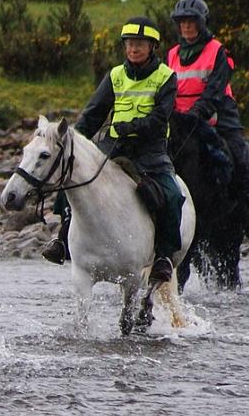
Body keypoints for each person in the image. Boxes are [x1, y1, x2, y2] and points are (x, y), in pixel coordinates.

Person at [40, 16, 185, 284]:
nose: (133, 49)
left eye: (140, 44)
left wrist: (128, 126)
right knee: (68, 175)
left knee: (173, 195)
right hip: (114, 146)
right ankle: (62, 239)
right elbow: (92, 115)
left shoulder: (166, 77)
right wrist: (73, 142)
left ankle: (164, 257)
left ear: (152, 46)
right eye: (130, 44)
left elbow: (159, 120)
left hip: (150, 150)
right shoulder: (116, 75)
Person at [165, 0, 249, 238]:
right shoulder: (172, 54)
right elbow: (167, 88)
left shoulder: (217, 50)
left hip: (217, 118)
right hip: (180, 121)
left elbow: (216, 88)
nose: (186, 27)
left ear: (201, 23)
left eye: (191, 22)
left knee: (240, 158)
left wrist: (198, 112)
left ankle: (248, 216)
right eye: (182, 22)